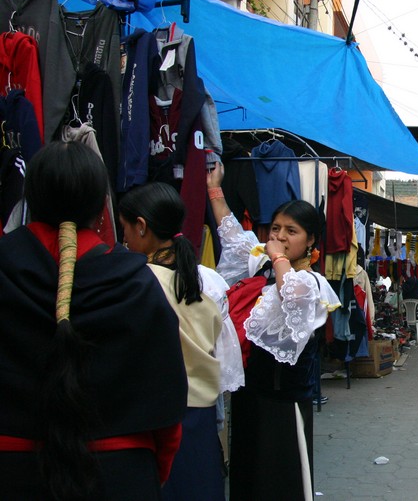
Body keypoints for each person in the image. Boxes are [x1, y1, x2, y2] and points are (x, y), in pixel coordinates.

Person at [0, 141, 187, 500]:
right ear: (103, 208)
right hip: (119, 474)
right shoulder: (136, 284)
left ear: (31, 200)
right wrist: (150, 472)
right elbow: (166, 404)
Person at [206, 162, 340, 500]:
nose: (278, 237)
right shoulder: (264, 265)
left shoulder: (312, 284)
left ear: (311, 240)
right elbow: (235, 236)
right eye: (276, 228)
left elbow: (292, 297)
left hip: (284, 406)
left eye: (290, 231)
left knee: (280, 481)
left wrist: (278, 257)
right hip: (249, 398)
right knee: (248, 477)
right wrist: (215, 190)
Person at [119, 182, 229, 501]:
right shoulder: (201, 282)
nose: (123, 238)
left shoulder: (140, 283)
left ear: (141, 227)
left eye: (124, 228)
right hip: (202, 422)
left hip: (162, 421)